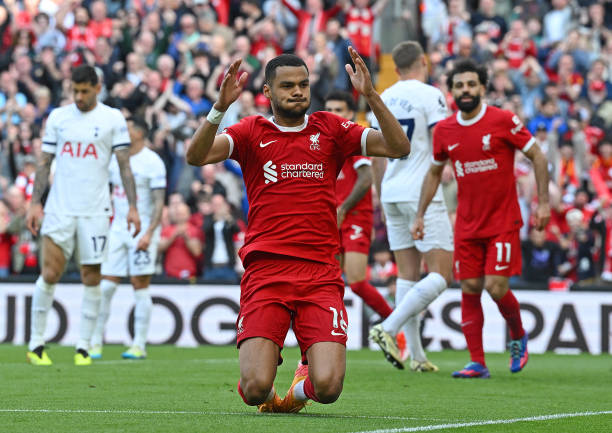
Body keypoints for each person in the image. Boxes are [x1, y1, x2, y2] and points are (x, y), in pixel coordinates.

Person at [185, 48, 409, 412]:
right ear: (268, 92)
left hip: (320, 272)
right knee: (255, 387)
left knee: (330, 387)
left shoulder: (332, 129)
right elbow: (196, 157)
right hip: (266, 270)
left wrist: (370, 95)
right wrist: (219, 108)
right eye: (287, 85)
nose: (297, 91)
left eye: (303, 84)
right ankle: (270, 388)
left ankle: (294, 396)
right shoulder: (250, 132)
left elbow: (399, 147)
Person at [412, 59, 550, 378]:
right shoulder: (445, 130)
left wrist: (542, 203)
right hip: (467, 224)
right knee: (470, 286)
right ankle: (477, 362)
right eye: (459, 85)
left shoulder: (503, 120)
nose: (465, 90)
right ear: (452, 92)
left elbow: (538, 156)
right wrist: (419, 214)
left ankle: (518, 336)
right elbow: (434, 173)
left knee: (496, 286)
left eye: (471, 84)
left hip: (502, 221)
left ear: (483, 88)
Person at [25, 65, 140, 366]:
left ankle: (84, 346)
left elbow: (125, 166)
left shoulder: (112, 119)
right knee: (50, 273)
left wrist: (132, 206)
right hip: (59, 209)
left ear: (97, 87)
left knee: (92, 277)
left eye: (84, 91)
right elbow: (44, 162)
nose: (78, 97)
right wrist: (35, 203)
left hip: (95, 211)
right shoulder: (58, 118)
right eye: (74, 91)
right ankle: (36, 344)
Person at [368, 41, 454, 372]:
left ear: (396, 66)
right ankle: (388, 328)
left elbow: (375, 151)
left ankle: (417, 356)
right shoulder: (430, 95)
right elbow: (441, 139)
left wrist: (380, 191)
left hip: (391, 189)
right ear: (423, 61)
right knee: (441, 273)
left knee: (407, 273)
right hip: (422, 190)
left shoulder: (384, 97)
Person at [90, 117, 166, 360]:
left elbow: (158, 202)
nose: (125, 132)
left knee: (139, 285)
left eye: (130, 128)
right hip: (117, 230)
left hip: (142, 232)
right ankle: (94, 342)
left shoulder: (152, 162)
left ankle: (139, 344)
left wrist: (150, 233)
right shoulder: (116, 160)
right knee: (107, 285)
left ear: (140, 133)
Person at [324, 90, 393, 321]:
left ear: (351, 113)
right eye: (330, 110)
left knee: (355, 281)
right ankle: (314, 347)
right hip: (331, 220)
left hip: (353, 216)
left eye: (339, 110)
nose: (333, 114)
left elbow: (366, 178)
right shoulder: (324, 142)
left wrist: (343, 209)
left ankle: (393, 324)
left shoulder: (354, 138)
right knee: (326, 284)